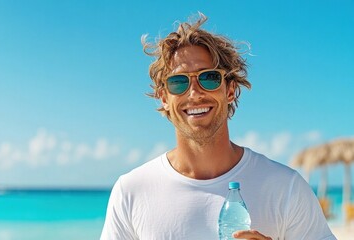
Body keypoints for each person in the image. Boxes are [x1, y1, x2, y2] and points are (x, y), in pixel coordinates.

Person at [101, 13, 336, 240]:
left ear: (230, 90)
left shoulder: (285, 187)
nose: (194, 93)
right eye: (178, 82)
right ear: (164, 97)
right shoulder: (131, 191)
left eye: (209, 78)